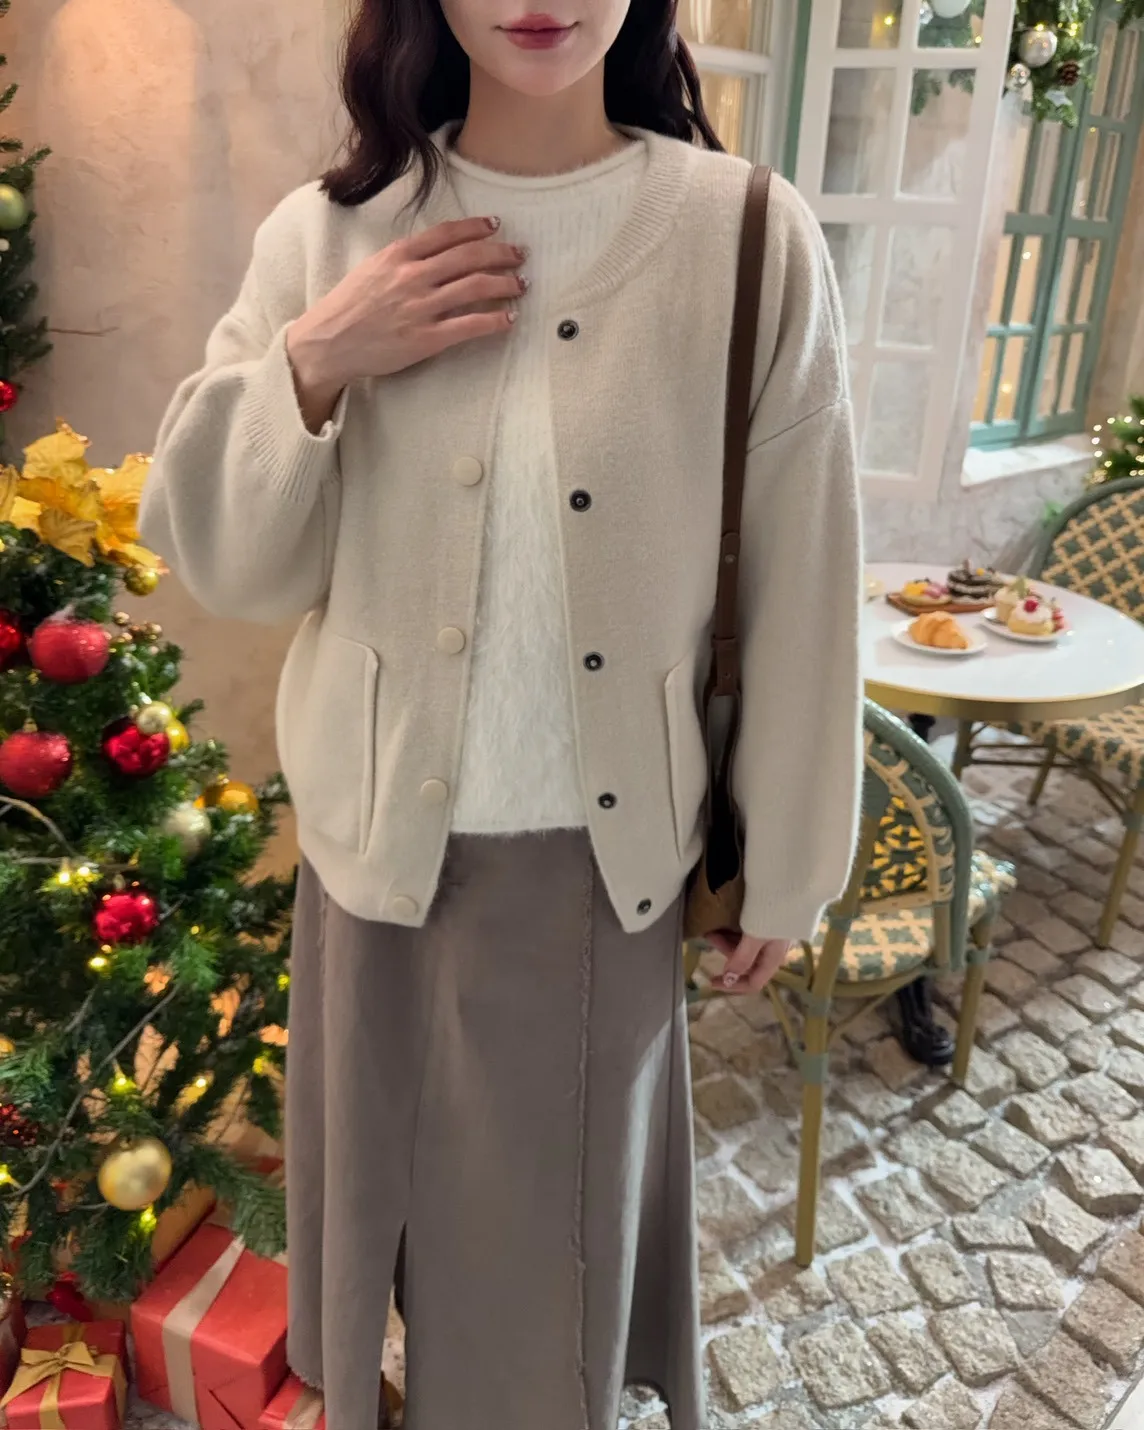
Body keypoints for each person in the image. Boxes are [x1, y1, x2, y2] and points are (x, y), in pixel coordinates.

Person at [139, 0, 863, 1419]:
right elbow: (225, 562)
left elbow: (807, 568)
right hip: (370, 873)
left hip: (594, 882)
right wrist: (315, 359)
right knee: (365, 1262)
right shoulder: (325, 236)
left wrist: (789, 857)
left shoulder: (745, 236)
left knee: (541, 1322)